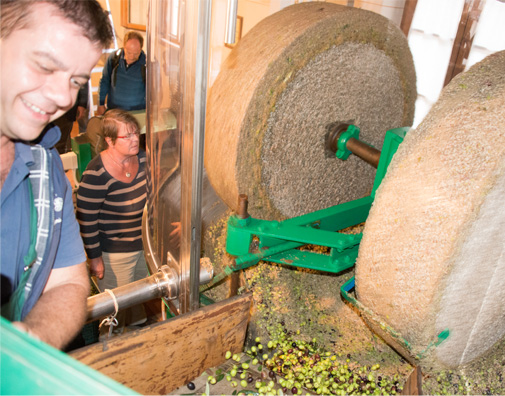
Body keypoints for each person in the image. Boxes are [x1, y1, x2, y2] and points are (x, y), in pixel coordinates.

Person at [0, 0, 113, 350]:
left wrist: (31, 339)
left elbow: (68, 284)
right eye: (45, 66)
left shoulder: (47, 169)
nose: (62, 96)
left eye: (76, 80)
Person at [76, 109, 149, 333]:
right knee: (115, 310)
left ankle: (138, 339)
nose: (135, 139)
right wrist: (95, 259)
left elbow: (159, 194)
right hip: (115, 254)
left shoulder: (145, 158)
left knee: (139, 297)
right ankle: (110, 351)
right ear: (109, 140)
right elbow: (86, 220)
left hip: (144, 246)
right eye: (127, 136)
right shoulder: (96, 174)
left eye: (136, 133)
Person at [97, 31, 146, 115]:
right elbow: (105, 81)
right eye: (129, 52)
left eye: (136, 54)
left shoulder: (147, 64)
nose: (131, 57)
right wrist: (100, 104)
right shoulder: (114, 58)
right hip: (114, 111)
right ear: (124, 46)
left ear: (141, 49)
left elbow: (155, 91)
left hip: (138, 112)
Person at [53, 83, 89, 154]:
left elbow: (82, 81)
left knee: (60, 144)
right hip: (47, 106)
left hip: (66, 107)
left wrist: (82, 103)